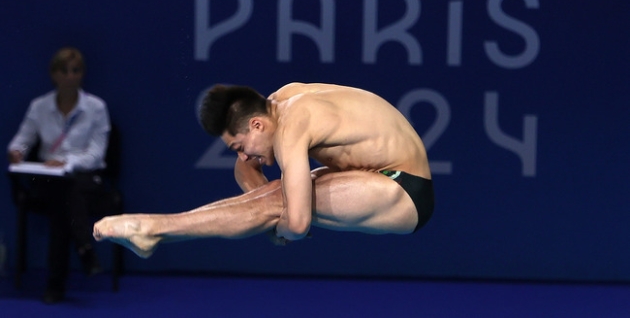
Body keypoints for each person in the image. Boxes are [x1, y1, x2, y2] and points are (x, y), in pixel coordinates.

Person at [93, 82, 434, 258]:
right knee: (276, 197)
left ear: (256, 125)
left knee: (277, 201)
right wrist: (270, 216)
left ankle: (154, 229)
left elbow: (298, 225)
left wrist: (278, 225)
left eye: (240, 145)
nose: (244, 154)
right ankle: (153, 230)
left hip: (405, 190)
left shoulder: (291, 126)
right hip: (379, 177)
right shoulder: (281, 101)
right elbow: (245, 169)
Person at [7, 47, 111, 304]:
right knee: (63, 194)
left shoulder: (96, 108)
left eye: (76, 71)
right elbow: (21, 141)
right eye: (64, 71)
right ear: (54, 75)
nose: (70, 76)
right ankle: (85, 249)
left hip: (85, 178)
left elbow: (97, 155)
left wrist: (66, 162)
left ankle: (54, 286)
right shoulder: (39, 106)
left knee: (66, 196)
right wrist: (17, 152)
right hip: (46, 179)